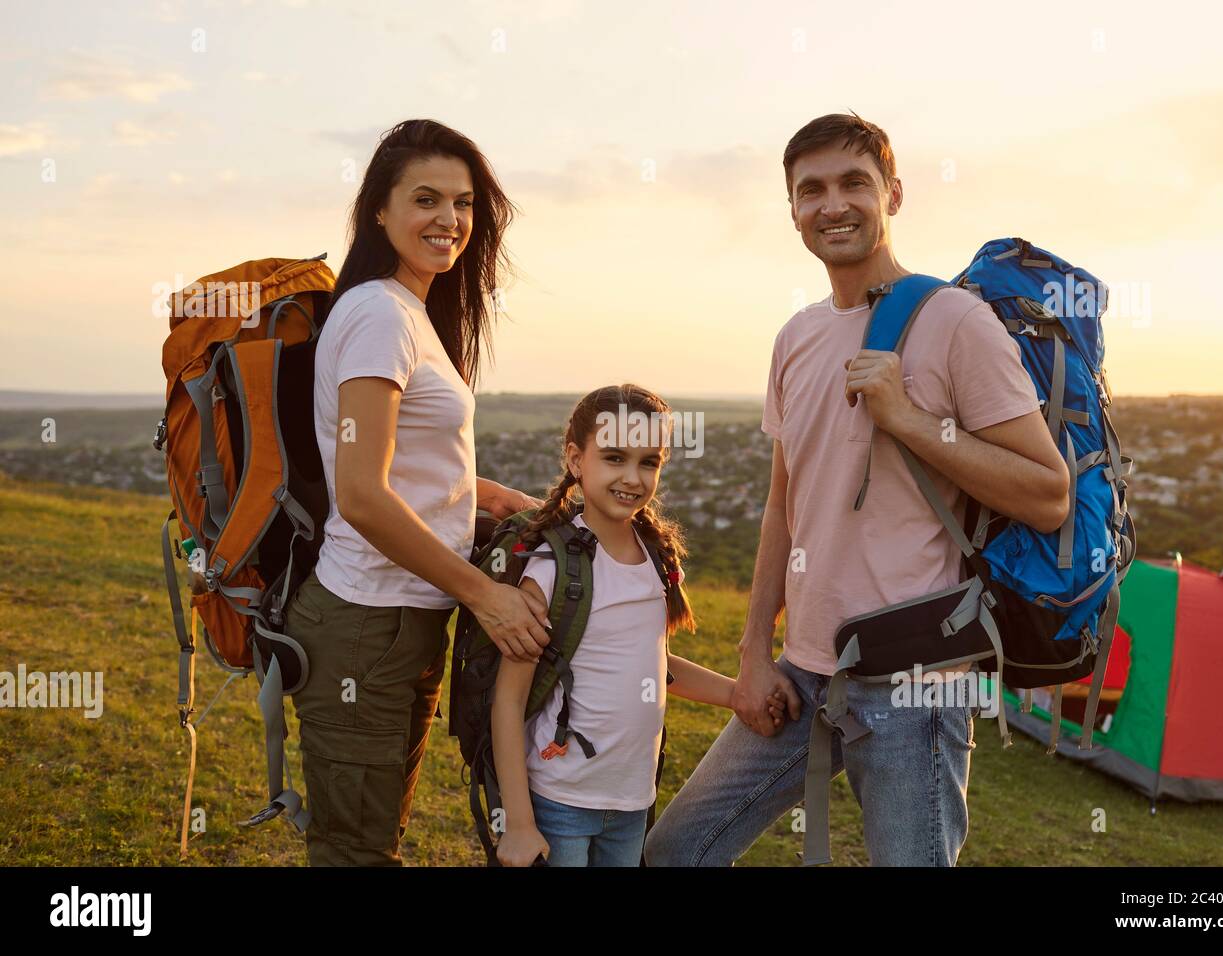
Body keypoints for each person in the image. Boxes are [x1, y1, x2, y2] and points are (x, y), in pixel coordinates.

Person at [644, 113, 1070, 867]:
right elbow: (785, 503)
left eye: (853, 183)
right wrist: (752, 652)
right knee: (677, 849)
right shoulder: (796, 336)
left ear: (893, 194)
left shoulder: (955, 323)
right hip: (805, 667)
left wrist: (909, 419)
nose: (831, 204)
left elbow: (1046, 493)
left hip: (915, 679)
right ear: (793, 211)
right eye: (811, 190)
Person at [285, 119, 552, 866]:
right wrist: (485, 595)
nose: (450, 220)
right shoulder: (377, 314)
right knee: (355, 852)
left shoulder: (411, 312)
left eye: (463, 203)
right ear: (380, 209)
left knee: (377, 839)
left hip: (401, 619)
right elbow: (364, 494)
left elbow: (412, 469)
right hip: (366, 622)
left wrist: (502, 501)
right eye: (427, 199)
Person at [491, 384, 787, 867]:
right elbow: (509, 699)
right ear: (575, 459)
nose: (632, 476)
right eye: (614, 457)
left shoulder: (656, 559)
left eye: (648, 462)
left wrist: (735, 693)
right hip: (560, 801)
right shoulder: (551, 569)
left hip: (632, 804)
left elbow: (653, 665)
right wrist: (520, 823)